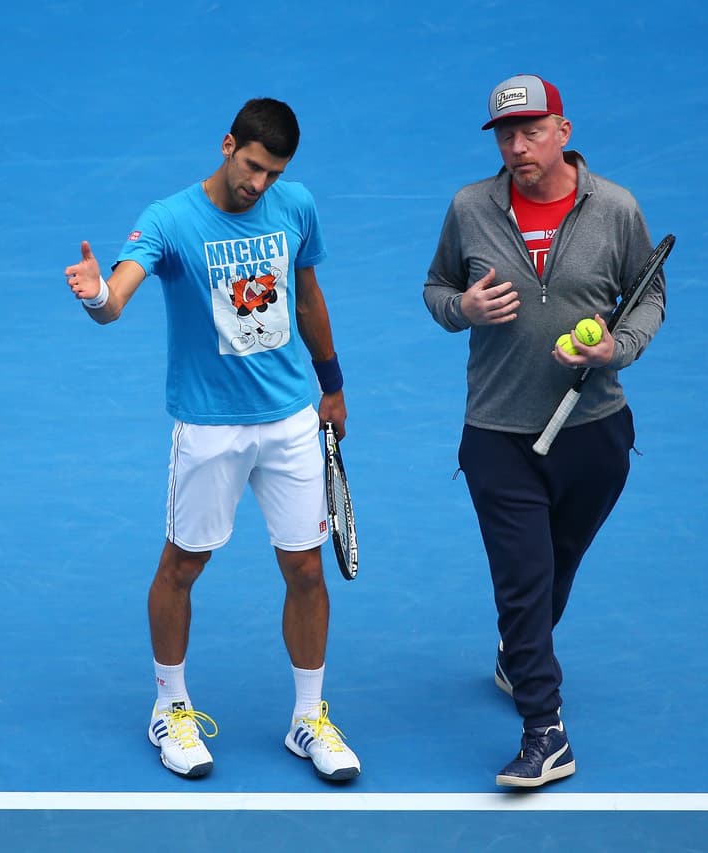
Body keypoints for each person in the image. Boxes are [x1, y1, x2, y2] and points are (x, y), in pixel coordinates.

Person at [64, 98, 360, 783]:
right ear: (228, 145)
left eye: (274, 172)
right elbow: (117, 299)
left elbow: (308, 295)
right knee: (183, 565)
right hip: (209, 426)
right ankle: (170, 706)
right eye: (253, 166)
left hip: (289, 420)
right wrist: (94, 297)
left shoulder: (295, 206)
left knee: (307, 570)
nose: (260, 184)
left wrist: (333, 383)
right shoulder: (169, 220)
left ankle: (308, 717)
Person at [421, 74, 666, 788]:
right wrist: (462, 304)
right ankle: (545, 729)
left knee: (553, 568)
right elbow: (435, 289)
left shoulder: (615, 208)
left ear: (564, 129)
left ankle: (516, 654)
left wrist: (613, 350)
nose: (518, 146)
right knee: (523, 581)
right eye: (505, 133)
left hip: (595, 433)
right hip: (498, 433)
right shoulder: (470, 208)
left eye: (531, 131)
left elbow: (647, 292)